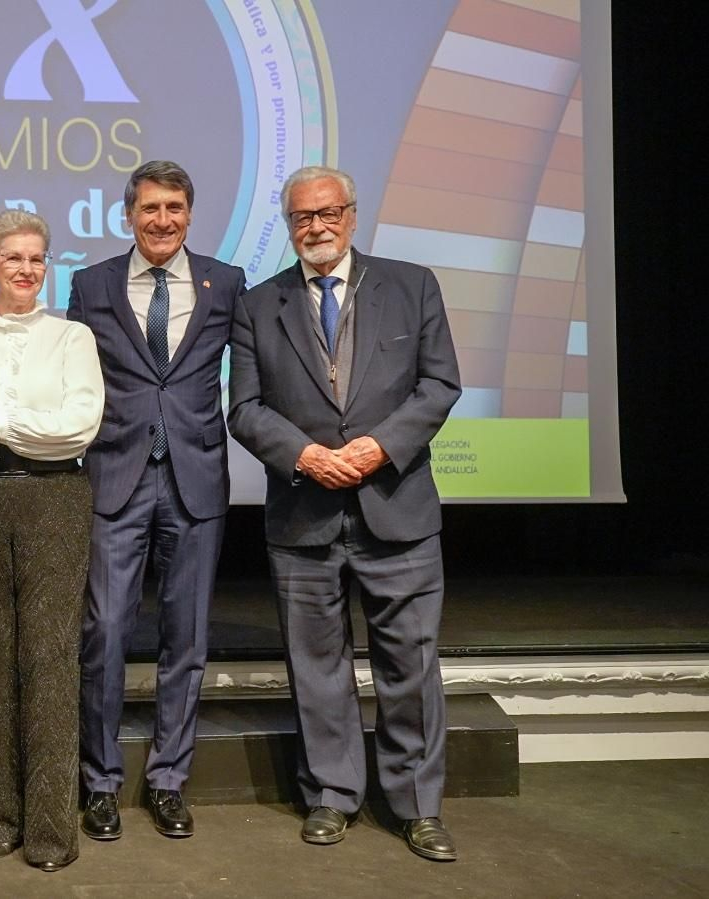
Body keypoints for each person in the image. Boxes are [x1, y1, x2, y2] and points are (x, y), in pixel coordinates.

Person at [227, 164, 462, 861]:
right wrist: (305, 456)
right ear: (290, 223)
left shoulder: (412, 283)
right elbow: (244, 408)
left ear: (353, 215)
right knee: (317, 666)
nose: (317, 227)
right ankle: (331, 794)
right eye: (302, 217)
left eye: (329, 213)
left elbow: (439, 382)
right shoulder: (257, 304)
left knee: (410, 665)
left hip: (399, 510)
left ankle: (417, 805)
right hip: (303, 514)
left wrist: (377, 448)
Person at [67, 160, 247, 840]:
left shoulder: (225, 283)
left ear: (190, 214)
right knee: (106, 633)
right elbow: (75, 378)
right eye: (150, 208)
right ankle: (101, 781)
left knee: (187, 640)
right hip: (115, 478)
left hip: (197, 481)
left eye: (174, 207)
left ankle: (170, 778)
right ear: (129, 214)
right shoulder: (91, 284)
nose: (162, 219)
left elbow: (252, 375)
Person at [0, 210, 104, 872]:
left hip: (53, 499)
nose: (27, 268)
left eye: (37, 258)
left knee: (50, 659)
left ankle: (51, 829)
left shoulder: (72, 338)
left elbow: (77, 426)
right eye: (13, 257)